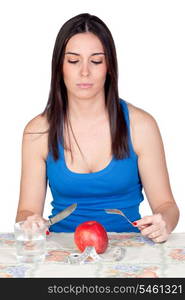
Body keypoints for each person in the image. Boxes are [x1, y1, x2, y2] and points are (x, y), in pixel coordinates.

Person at [15, 13, 179, 243]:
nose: (84, 72)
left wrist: (164, 221)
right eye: (73, 61)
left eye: (96, 61)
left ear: (109, 66)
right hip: (62, 253)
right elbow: (25, 211)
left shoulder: (142, 126)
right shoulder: (37, 131)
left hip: (129, 252)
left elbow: (167, 205)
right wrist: (29, 221)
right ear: (59, 67)